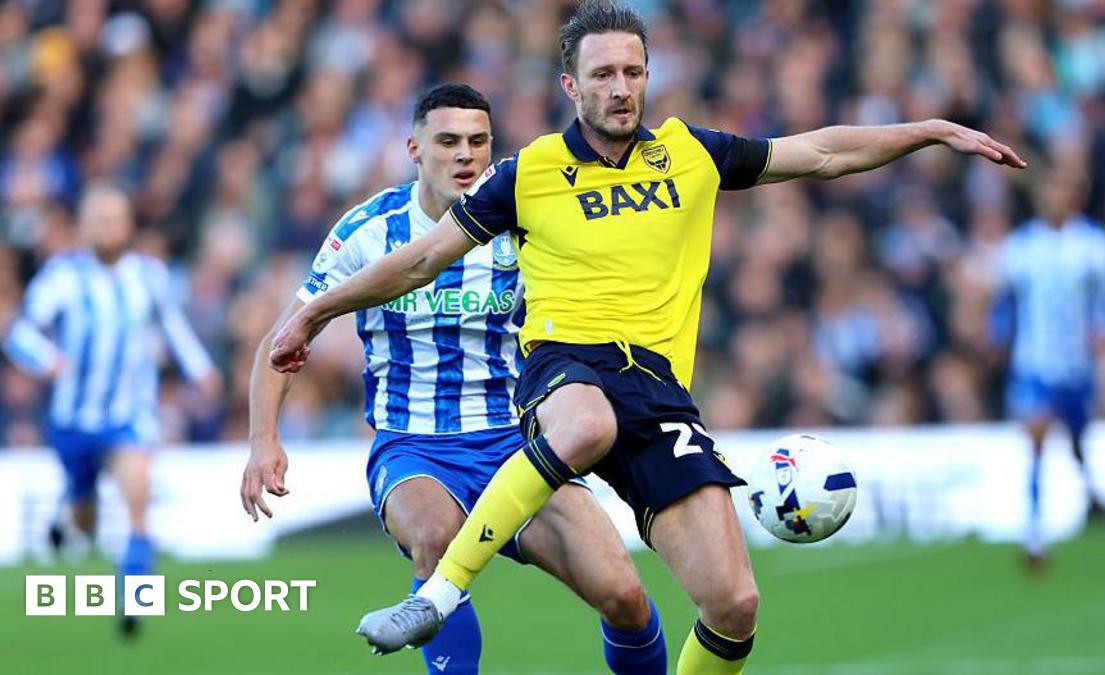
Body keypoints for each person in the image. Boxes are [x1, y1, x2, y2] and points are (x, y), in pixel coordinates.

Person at [269, 3, 1025, 672]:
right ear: (571, 86)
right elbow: (422, 259)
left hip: (659, 396)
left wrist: (929, 132)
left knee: (733, 605)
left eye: (633, 72)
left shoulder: (691, 154)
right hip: (563, 365)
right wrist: (315, 311)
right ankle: (439, 593)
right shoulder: (529, 173)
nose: (621, 87)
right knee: (586, 423)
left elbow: (822, 153)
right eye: (603, 74)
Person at [240, 83, 667, 675]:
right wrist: (264, 438)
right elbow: (284, 336)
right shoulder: (369, 230)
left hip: (518, 445)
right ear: (414, 149)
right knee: (436, 540)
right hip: (413, 448)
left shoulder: (523, 222)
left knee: (624, 596)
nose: (465, 154)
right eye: (447, 141)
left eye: (477, 141)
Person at [4, 181, 221, 636]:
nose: (106, 227)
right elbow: (20, 333)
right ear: (83, 226)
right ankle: (70, 508)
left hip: (129, 414)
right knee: (85, 519)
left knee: (138, 498)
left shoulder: (149, 276)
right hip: (74, 418)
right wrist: (46, 360)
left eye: (114, 219)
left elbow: (174, 327)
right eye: (98, 220)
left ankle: (135, 602)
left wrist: (201, 370)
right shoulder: (62, 277)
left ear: (128, 224)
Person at [993, 167, 1105, 571]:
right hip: (1034, 363)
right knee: (1035, 439)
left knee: (1077, 439)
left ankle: (1088, 487)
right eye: (1049, 189)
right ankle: (1035, 533)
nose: (1054, 197)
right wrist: (998, 336)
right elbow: (1005, 301)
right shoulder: (1021, 246)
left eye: (1063, 189)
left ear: (1076, 196)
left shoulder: (1095, 246)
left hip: (1078, 366)